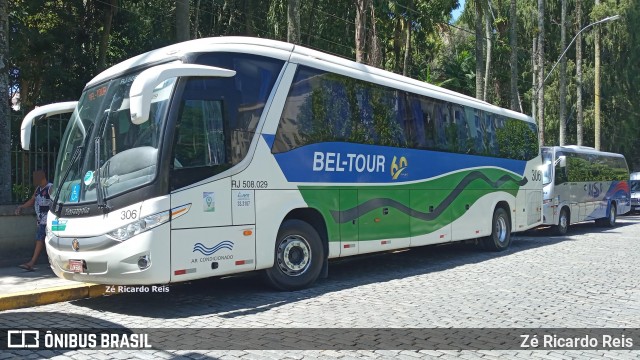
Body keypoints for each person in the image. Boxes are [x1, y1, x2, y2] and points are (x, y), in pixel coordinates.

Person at [15, 170, 52, 271]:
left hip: (48, 220)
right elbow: (32, 201)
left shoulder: (50, 188)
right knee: (43, 240)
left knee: (40, 239)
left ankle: (31, 263)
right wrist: (21, 207)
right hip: (41, 220)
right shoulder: (38, 189)